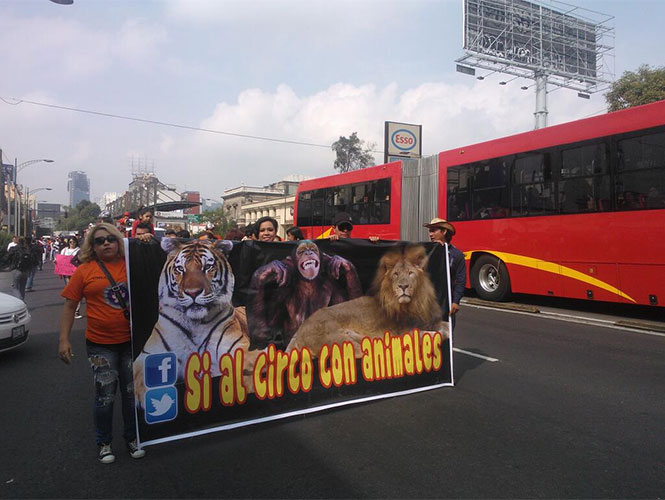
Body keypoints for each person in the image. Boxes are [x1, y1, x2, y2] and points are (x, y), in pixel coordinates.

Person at [57, 223, 146, 464]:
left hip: (131, 342)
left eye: (110, 239)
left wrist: (147, 242)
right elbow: (69, 306)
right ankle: (104, 443)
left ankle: (133, 437)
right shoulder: (84, 271)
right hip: (100, 345)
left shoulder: (131, 266)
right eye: (99, 241)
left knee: (131, 394)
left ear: (119, 242)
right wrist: (64, 340)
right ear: (92, 247)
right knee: (105, 396)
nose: (106, 243)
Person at [423, 217, 465, 331]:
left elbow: (460, 280)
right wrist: (376, 243)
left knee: (446, 336)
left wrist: (456, 301)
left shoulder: (456, 255)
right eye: (429, 231)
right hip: (427, 303)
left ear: (444, 232)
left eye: (433, 230)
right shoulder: (425, 251)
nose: (430, 234)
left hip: (446, 303)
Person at [61, 236, 82, 319]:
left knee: (76, 291)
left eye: (74, 242)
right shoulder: (64, 250)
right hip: (66, 274)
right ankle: (70, 308)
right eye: (70, 242)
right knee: (70, 291)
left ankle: (76, 311)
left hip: (76, 274)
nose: (72, 243)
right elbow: (60, 259)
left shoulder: (79, 251)